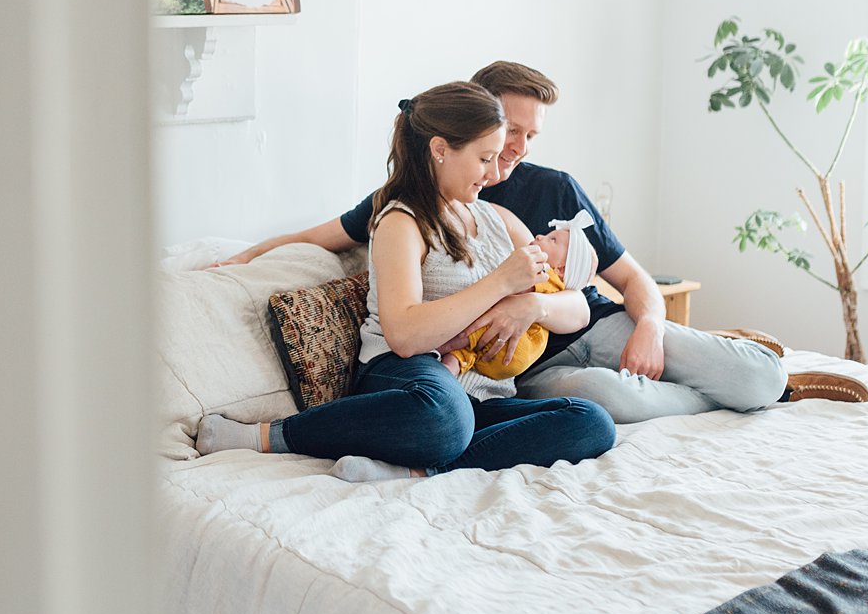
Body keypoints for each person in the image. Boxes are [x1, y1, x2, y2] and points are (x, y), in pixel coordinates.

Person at [219, 61, 831, 424]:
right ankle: (706, 399)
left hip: (594, 325)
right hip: (525, 368)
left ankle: (741, 369)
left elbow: (629, 280)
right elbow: (318, 237)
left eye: (529, 136)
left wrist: (647, 326)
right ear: (471, 127)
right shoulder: (414, 204)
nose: (515, 150)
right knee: (604, 400)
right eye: (505, 133)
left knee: (756, 382)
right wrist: (240, 259)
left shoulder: (555, 189)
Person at [195, 82, 616, 480]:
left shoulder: (498, 220)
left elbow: (578, 306)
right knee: (445, 416)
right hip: (408, 376)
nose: (492, 174)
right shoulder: (402, 221)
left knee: (591, 421)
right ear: (440, 150)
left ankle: (416, 470)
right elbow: (406, 335)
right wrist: (501, 284)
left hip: (480, 396)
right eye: (484, 158)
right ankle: (270, 436)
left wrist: (533, 305)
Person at [439, 209, 598, 382]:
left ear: (560, 269)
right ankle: (451, 366)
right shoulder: (555, 292)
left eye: (552, 239)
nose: (539, 236)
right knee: (468, 354)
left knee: (474, 332)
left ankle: (442, 346)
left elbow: (517, 289)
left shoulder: (546, 276)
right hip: (510, 361)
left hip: (516, 345)